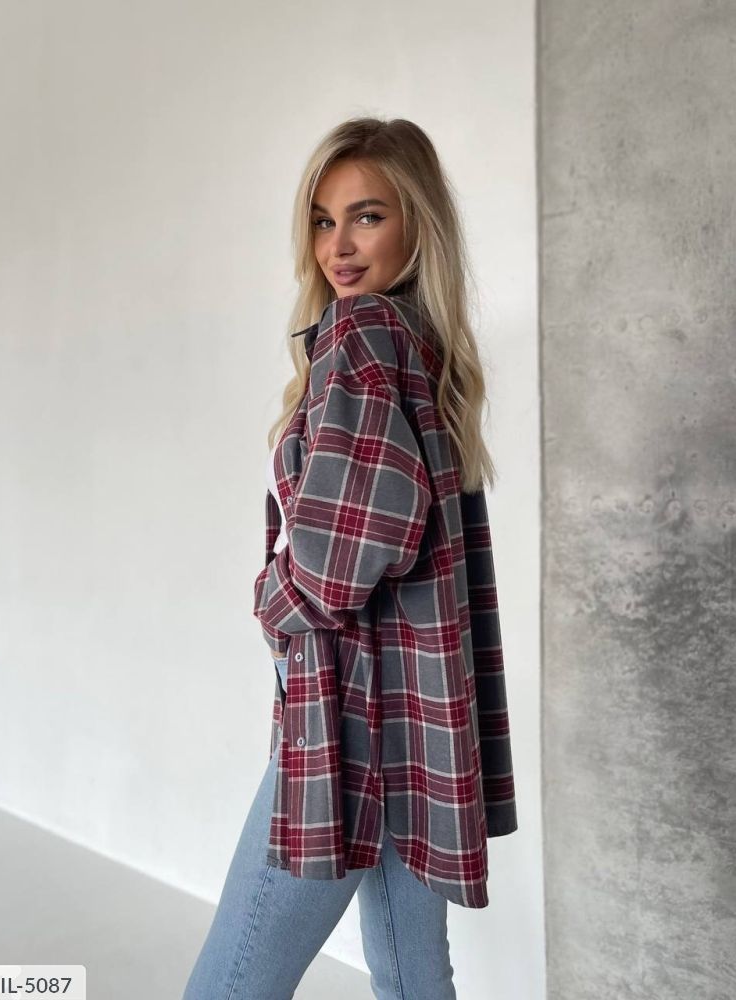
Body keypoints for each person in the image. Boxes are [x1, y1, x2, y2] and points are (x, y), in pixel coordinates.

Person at [182, 116, 517, 1000]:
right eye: (324, 221)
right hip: (415, 714)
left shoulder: (360, 334)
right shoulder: (420, 343)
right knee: (410, 976)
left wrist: (273, 599)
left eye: (367, 216)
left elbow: (355, 538)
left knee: (230, 982)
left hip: (348, 714)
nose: (339, 246)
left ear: (417, 223)